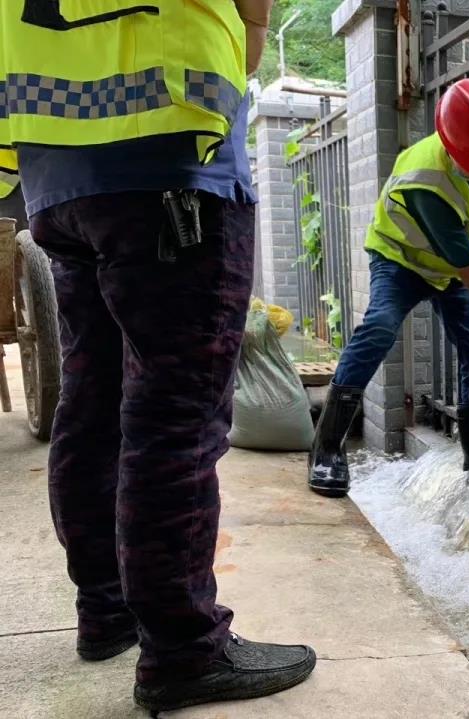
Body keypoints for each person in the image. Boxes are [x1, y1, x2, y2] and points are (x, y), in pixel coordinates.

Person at [0, 1, 319, 713]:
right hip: (172, 144)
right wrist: (252, 33)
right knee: (176, 414)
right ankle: (183, 649)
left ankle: (106, 610)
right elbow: (251, 23)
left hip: (53, 163)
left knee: (93, 399)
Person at [308, 78, 469, 497]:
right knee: (379, 327)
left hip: (448, 269)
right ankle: (327, 449)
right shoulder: (426, 182)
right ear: (452, 147)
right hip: (401, 260)